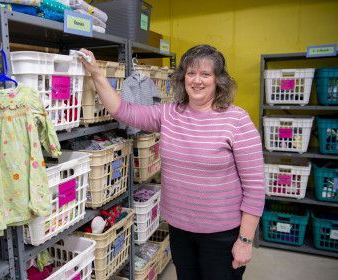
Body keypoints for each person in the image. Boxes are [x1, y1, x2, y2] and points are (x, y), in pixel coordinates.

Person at [79, 44, 265, 280]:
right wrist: (96, 74)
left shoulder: (236, 120)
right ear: (182, 77)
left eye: (205, 74)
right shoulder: (168, 114)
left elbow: (255, 189)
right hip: (179, 230)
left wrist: (245, 240)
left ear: (218, 80)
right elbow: (123, 110)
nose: (197, 81)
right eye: (191, 73)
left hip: (222, 235)